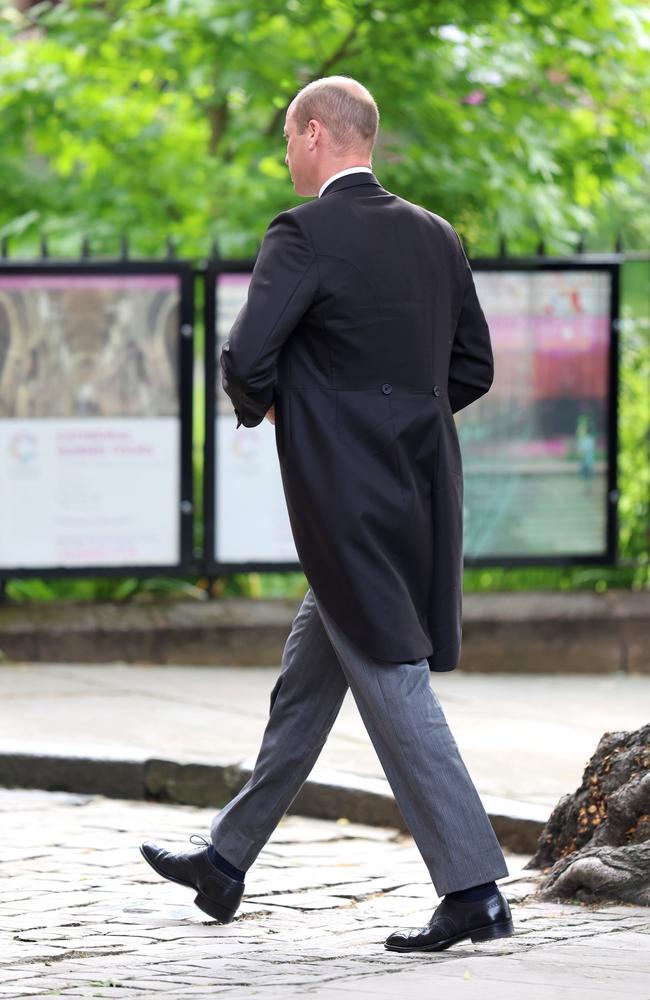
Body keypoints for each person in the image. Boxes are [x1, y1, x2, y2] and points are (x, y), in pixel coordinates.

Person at [141, 74, 514, 953]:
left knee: (392, 675)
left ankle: (475, 890)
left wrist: (295, 411)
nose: (285, 155)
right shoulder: (436, 236)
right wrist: (395, 419)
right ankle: (227, 860)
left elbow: (247, 353)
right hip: (420, 484)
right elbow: (474, 368)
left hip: (343, 495)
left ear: (314, 133)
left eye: (286, 138)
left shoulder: (301, 231)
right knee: (310, 677)